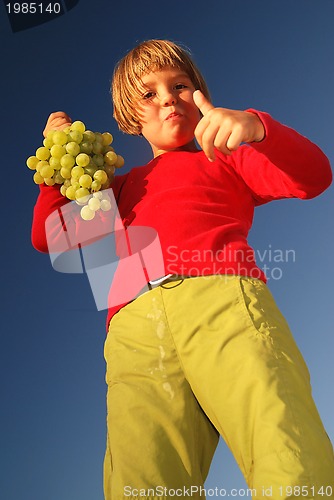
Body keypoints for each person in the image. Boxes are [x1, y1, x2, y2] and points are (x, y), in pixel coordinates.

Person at [31, 39, 334, 499]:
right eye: (148, 93)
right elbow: (50, 236)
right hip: (132, 329)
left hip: (223, 303)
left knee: (281, 438)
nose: (168, 97)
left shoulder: (224, 156)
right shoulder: (115, 189)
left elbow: (314, 176)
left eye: (180, 85)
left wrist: (255, 127)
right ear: (130, 118)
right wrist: (58, 160)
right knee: (143, 478)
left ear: (198, 97)